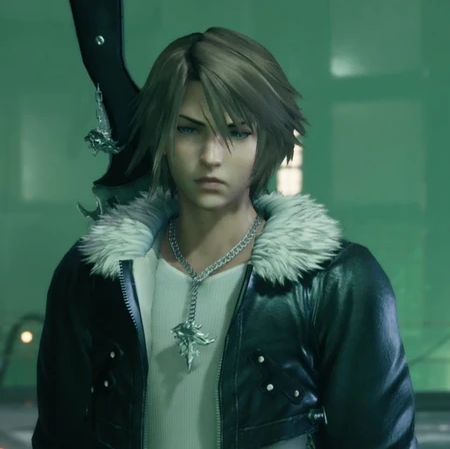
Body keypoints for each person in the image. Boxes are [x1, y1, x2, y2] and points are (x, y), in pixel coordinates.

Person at [32, 27, 418, 449]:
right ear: (162, 137)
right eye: (189, 130)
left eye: (236, 132)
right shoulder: (91, 276)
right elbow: (59, 437)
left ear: (266, 139)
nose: (211, 157)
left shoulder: (340, 282)